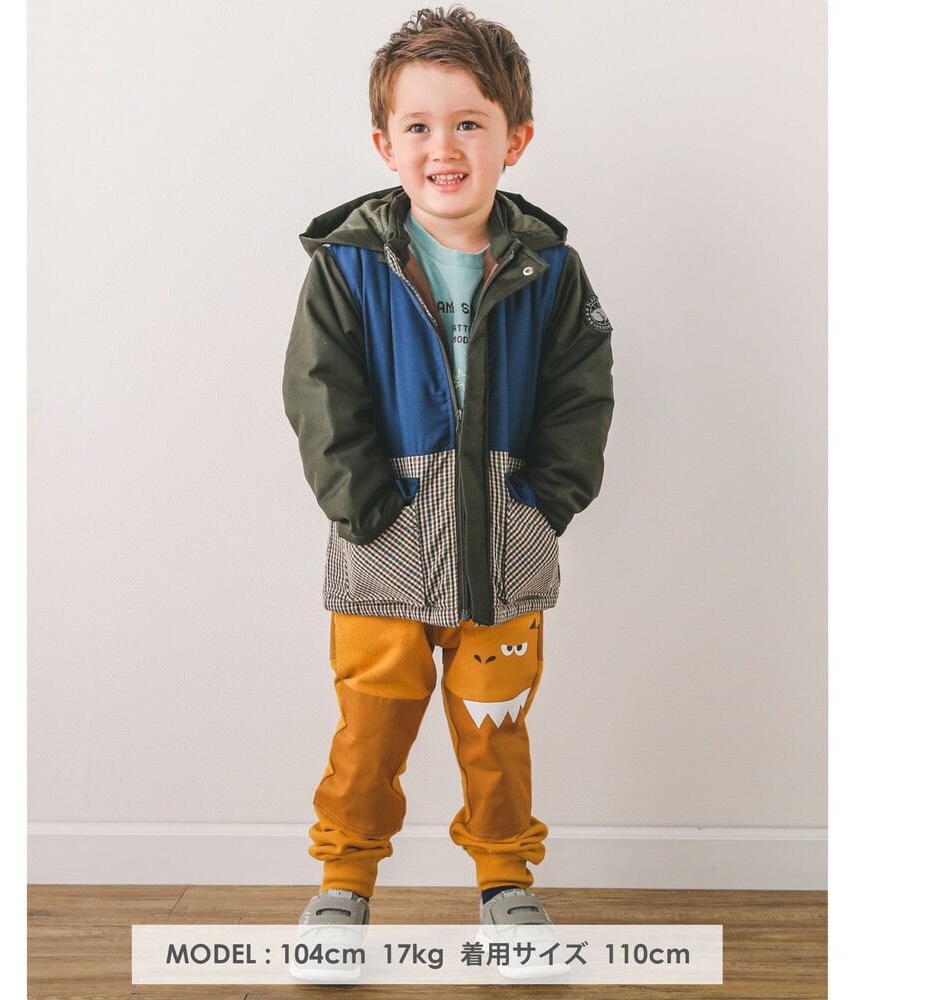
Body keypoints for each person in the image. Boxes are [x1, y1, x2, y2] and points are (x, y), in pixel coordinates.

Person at [282, 5, 613, 980]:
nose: (445, 147)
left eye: (470, 122)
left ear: (516, 138)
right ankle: (343, 885)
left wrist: (544, 501)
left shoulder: (551, 269)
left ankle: (506, 884)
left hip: (503, 549)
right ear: (385, 144)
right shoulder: (347, 265)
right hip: (381, 551)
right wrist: (362, 507)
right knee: (368, 732)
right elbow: (319, 391)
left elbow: (582, 392)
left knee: (495, 729)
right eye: (419, 126)